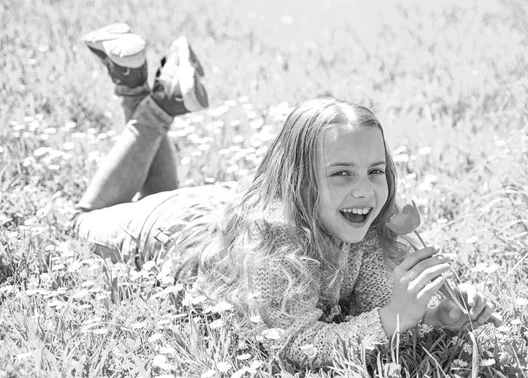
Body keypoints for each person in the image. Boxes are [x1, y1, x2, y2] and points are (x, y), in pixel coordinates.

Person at [73, 23, 502, 369]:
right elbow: (301, 347)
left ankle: (141, 85)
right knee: (85, 218)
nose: (365, 190)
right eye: (340, 173)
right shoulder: (273, 256)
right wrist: (395, 319)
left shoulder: (363, 230)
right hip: (164, 230)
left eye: (375, 171)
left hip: (210, 216)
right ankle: (153, 100)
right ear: (298, 181)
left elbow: (374, 307)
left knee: (158, 191)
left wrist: (434, 315)